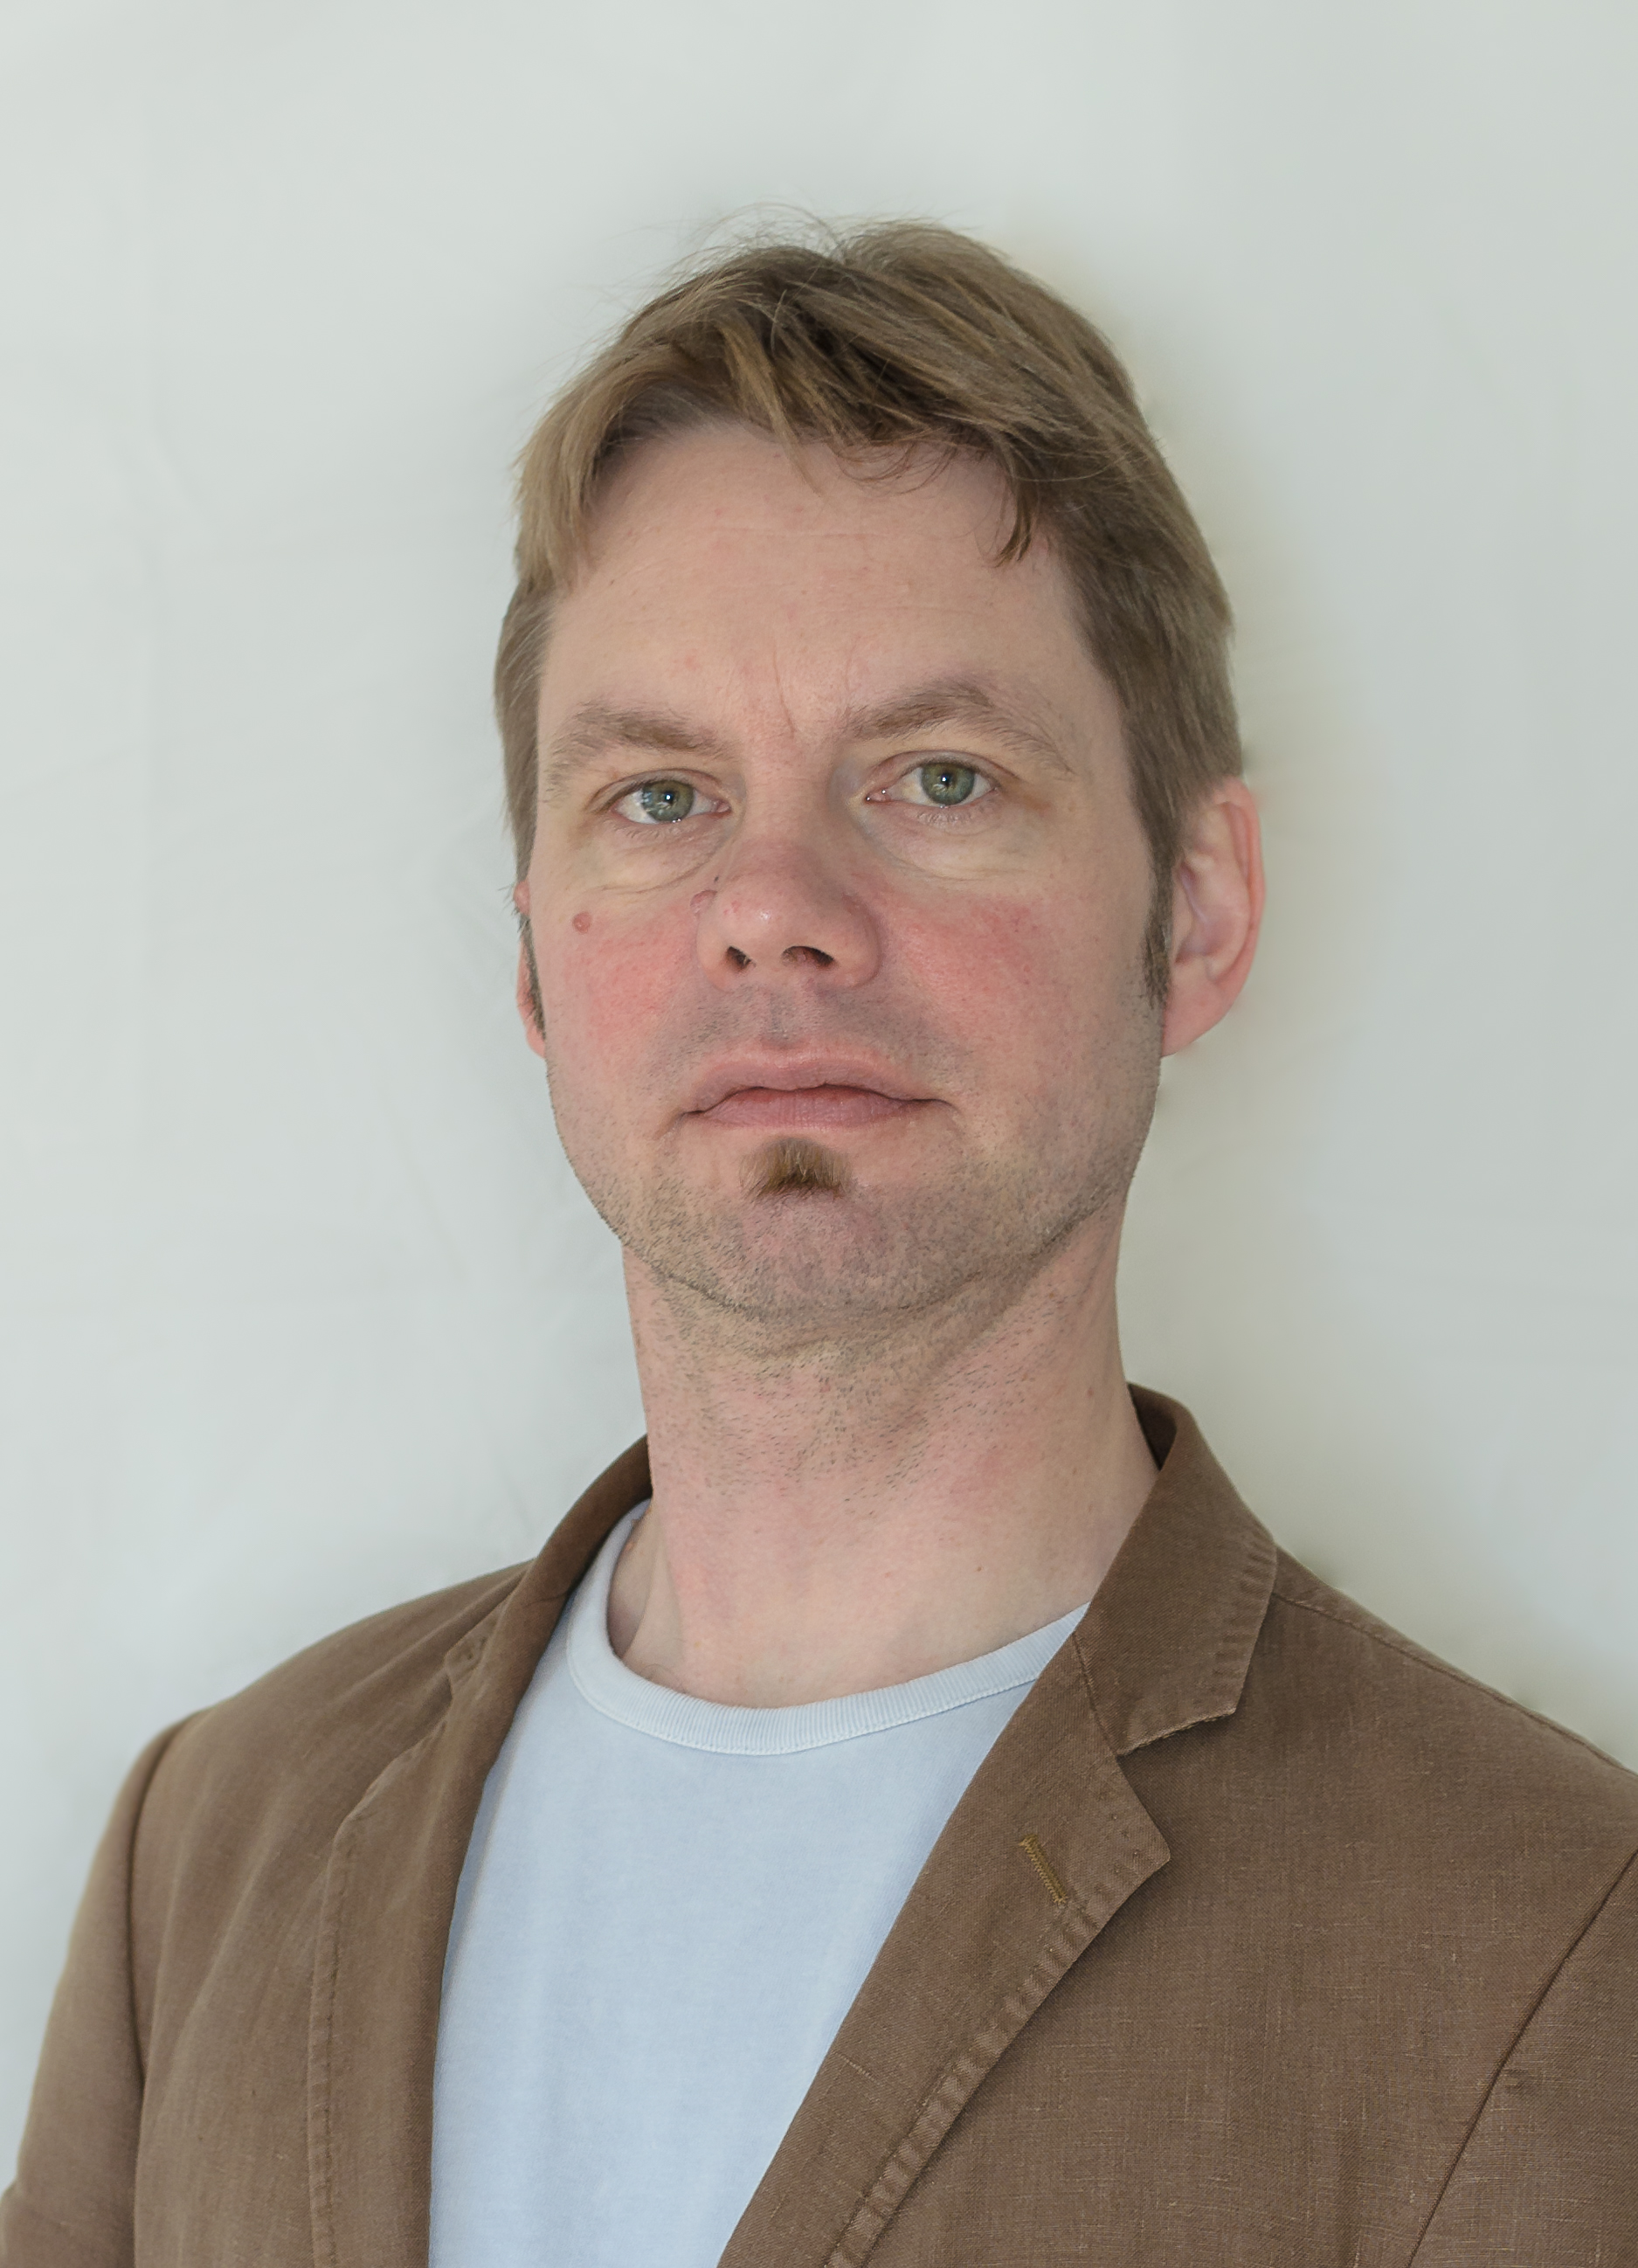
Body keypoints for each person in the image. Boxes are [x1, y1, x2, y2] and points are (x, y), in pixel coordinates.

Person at [3, 222, 1635, 2268]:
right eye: (658, 795)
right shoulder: (208, 1853)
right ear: (533, 955)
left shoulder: (1549, 1946)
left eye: (937, 777)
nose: (771, 905)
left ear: (1197, 911)